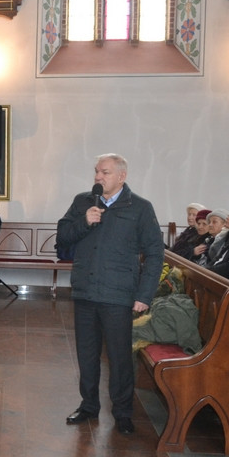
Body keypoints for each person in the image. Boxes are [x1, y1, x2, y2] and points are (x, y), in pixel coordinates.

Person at [58, 153, 164, 435]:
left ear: (121, 176)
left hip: (119, 294)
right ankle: (89, 406)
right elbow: (63, 237)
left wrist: (145, 294)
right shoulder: (83, 201)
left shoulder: (140, 208)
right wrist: (84, 221)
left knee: (119, 357)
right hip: (85, 291)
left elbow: (155, 254)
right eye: (96, 172)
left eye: (104, 172)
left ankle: (123, 412)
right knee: (87, 354)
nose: (97, 177)